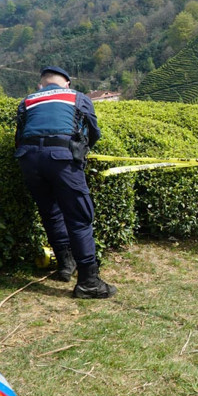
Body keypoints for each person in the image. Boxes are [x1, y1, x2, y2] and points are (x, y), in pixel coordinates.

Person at [14, 66, 117, 299]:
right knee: (79, 218)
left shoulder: (27, 101)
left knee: (50, 211)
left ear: (41, 85)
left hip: (28, 160)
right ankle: (89, 283)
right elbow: (93, 132)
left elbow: (19, 135)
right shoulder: (77, 97)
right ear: (66, 83)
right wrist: (82, 152)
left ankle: (65, 264)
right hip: (62, 160)